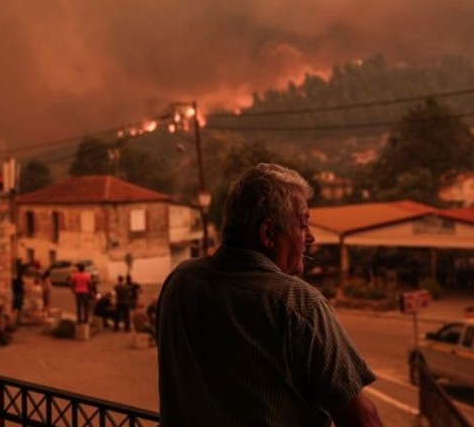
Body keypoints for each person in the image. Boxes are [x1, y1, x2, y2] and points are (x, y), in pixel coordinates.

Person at [157, 163, 383, 427]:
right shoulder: (297, 303)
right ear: (268, 234)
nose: (310, 238)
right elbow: (362, 419)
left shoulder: (181, 281)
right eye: (303, 224)